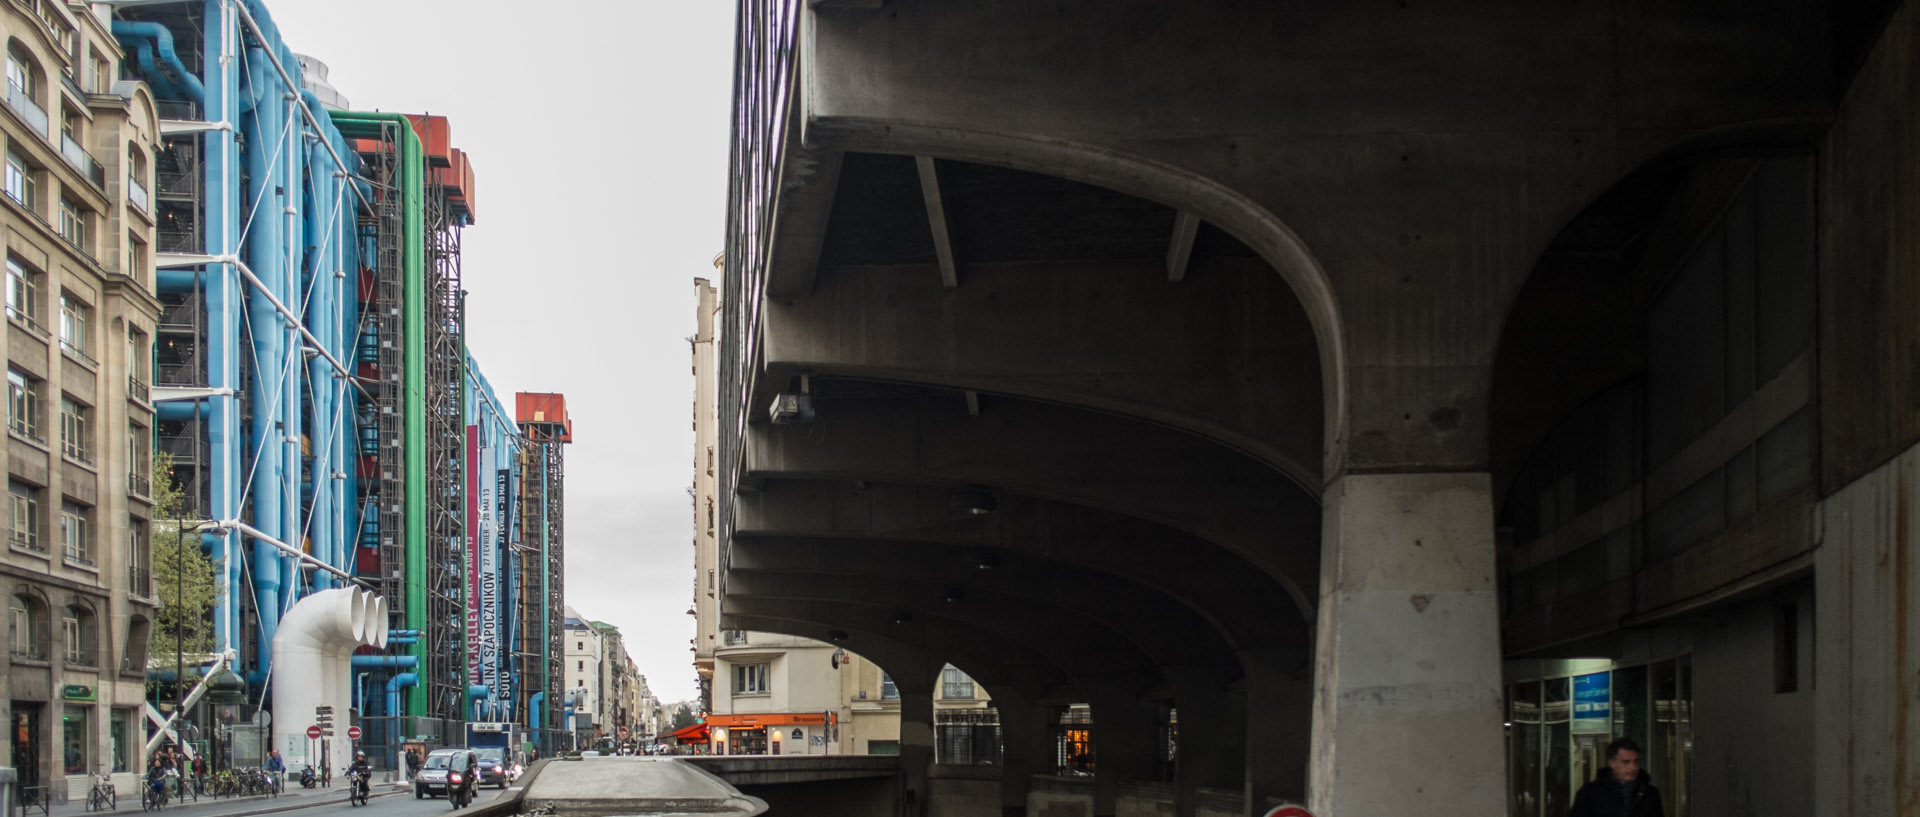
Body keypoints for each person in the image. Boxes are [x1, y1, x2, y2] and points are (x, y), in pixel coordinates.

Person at [1570, 738, 1665, 817]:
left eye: (1636, 761)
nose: (1633, 767)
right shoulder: (1590, 793)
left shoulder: (1650, 794)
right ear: (1612, 763)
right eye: (1625, 762)